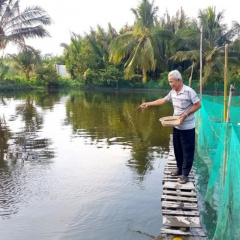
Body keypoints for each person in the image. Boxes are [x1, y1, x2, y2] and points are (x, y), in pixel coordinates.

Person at [139, 70, 201, 184]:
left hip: (187, 127)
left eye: (172, 82)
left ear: (179, 80)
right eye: (169, 82)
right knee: (177, 149)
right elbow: (163, 100)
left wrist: (186, 114)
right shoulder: (172, 92)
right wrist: (148, 104)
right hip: (176, 125)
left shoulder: (188, 91)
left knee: (187, 151)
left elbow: (198, 105)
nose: (170, 84)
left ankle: (185, 174)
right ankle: (179, 169)